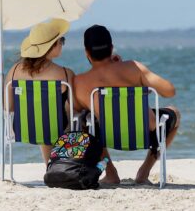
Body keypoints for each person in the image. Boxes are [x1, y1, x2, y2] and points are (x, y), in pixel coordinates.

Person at [72, 25, 180, 185]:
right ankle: (144, 171)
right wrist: (125, 70)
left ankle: (110, 172)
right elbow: (169, 91)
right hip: (145, 133)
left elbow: (75, 109)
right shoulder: (133, 68)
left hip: (106, 135)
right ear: (112, 48)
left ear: (87, 52)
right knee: (175, 113)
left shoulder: (79, 82)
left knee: (87, 122)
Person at [3, 18, 75, 164]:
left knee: (42, 119)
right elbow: (74, 109)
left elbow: (8, 107)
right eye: (61, 41)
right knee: (59, 119)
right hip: (57, 130)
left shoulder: (14, 71)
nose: (62, 44)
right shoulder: (65, 74)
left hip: (23, 130)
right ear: (52, 46)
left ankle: (49, 165)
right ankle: (64, 165)